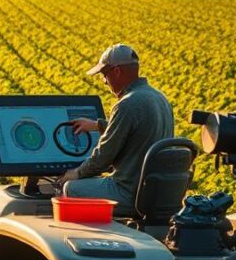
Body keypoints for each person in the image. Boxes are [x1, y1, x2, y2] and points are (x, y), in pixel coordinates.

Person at [57, 44, 174, 209]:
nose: (104, 82)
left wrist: (77, 173)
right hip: (155, 191)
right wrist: (97, 125)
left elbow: (103, 157)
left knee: (71, 188)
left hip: (129, 192)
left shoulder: (127, 104)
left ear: (117, 71)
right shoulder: (158, 97)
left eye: (104, 75)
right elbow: (136, 130)